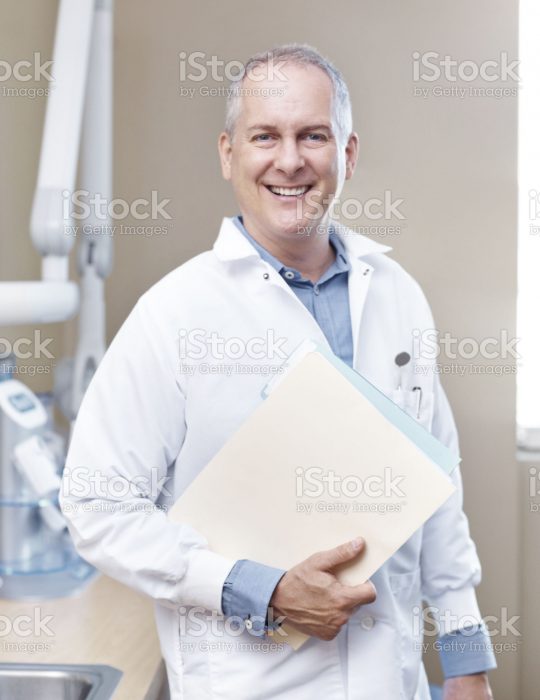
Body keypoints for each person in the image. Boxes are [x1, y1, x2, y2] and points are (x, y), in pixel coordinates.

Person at [61, 44, 496, 699]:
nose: (289, 161)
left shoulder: (399, 296)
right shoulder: (174, 315)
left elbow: (439, 488)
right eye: (265, 136)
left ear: (347, 153)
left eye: (313, 136)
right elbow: (95, 506)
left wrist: (467, 661)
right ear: (228, 153)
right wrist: (261, 590)